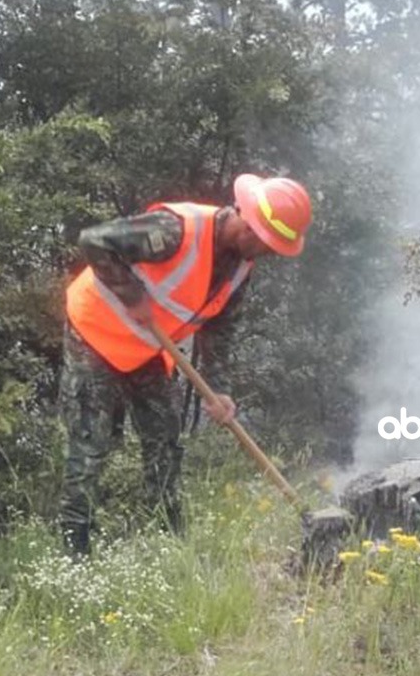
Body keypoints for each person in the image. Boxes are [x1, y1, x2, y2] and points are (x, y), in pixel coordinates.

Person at [58, 174, 313, 556]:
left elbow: (221, 329)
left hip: (147, 349)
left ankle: (169, 540)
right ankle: (73, 553)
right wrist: (131, 294)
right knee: (92, 444)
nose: (268, 251)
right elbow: (93, 241)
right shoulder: (175, 230)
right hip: (95, 335)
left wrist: (219, 388)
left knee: (165, 439)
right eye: (266, 241)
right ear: (246, 220)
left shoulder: (242, 267)